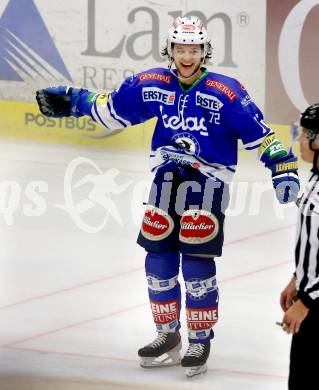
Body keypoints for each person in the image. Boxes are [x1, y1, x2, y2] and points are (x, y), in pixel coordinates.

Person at [36, 16, 300, 377]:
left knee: (195, 259)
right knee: (157, 260)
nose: (187, 56)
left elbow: (260, 134)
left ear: (204, 52)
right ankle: (167, 334)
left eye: (193, 49)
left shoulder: (226, 92)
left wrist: (283, 165)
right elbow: (112, 110)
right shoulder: (152, 83)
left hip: (207, 184)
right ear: (170, 50)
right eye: (180, 49)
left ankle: (199, 338)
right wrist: (72, 101)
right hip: (165, 182)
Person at [279, 103, 319, 390]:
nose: (300, 140)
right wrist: (298, 278)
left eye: (305, 133)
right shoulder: (315, 180)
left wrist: (307, 301)